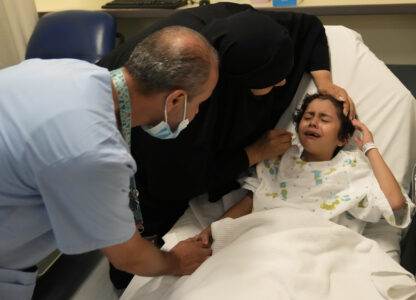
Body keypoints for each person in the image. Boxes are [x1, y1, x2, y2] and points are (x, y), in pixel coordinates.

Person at [98, 3, 357, 288]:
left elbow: (307, 27)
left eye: (325, 118)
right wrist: (176, 259)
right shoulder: (161, 107)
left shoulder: (244, 28)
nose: (284, 82)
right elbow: (132, 236)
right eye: (309, 115)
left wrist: (324, 81)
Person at [0, 26, 218, 300]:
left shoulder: (70, 71)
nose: (195, 114)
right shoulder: (96, 152)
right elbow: (128, 258)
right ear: (176, 99)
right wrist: (176, 260)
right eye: (200, 104)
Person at [197, 93, 413, 245]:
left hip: (318, 247)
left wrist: (370, 147)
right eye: (308, 117)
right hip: (266, 242)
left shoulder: (352, 168)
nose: (313, 123)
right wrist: (211, 231)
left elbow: (396, 205)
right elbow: (251, 200)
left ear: (343, 138)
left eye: (324, 119)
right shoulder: (279, 159)